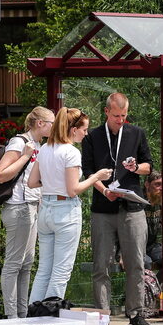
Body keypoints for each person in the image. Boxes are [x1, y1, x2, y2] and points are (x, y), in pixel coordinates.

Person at [82, 92, 154, 325]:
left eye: (124, 115)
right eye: (116, 116)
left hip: (132, 207)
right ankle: (102, 317)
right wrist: (104, 191)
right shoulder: (92, 136)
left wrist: (137, 167)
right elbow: (88, 172)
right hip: (103, 208)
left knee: (136, 263)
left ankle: (136, 314)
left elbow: (148, 166)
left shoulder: (136, 133)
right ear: (106, 112)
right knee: (101, 265)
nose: (121, 120)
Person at [27, 108, 112, 303]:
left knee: (44, 269)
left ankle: (33, 317)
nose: (86, 133)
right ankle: (49, 319)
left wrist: (52, 182)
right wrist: (97, 177)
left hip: (46, 209)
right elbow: (73, 189)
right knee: (61, 270)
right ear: (73, 130)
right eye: (84, 129)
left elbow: (32, 182)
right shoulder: (71, 152)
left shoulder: (45, 148)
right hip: (65, 211)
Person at [0, 106, 54, 318]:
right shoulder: (19, 142)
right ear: (40, 124)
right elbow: (1, 175)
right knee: (13, 263)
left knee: (27, 263)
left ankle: (21, 314)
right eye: (51, 123)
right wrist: (25, 156)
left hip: (31, 207)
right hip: (17, 207)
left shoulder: (39, 144)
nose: (53, 127)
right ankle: (11, 315)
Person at [143, 170, 163, 270]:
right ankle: (145, 286)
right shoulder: (138, 202)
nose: (161, 188)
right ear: (147, 184)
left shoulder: (161, 203)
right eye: (157, 184)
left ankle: (157, 285)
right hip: (136, 247)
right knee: (147, 263)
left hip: (152, 246)